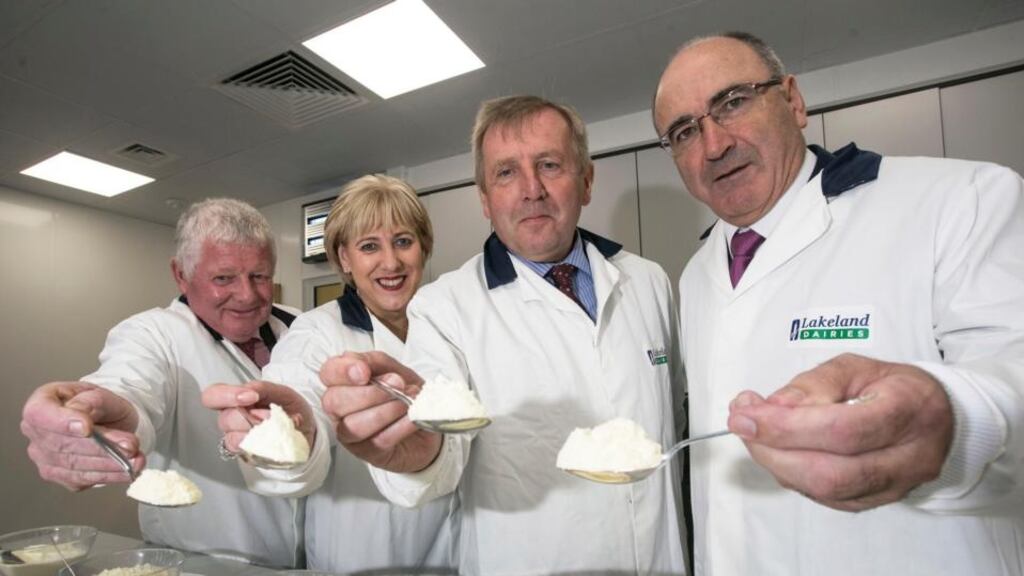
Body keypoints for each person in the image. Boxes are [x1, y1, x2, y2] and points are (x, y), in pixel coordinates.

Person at [652, 31, 1024, 576]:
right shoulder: (696, 273)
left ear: (793, 100)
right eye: (684, 131)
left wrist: (953, 419)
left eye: (732, 102)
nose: (713, 145)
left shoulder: (958, 199)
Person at [319, 96, 688, 575]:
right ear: (485, 200)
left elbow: (673, 418)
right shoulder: (443, 308)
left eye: (550, 165)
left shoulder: (648, 281)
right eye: (506, 173)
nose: (531, 189)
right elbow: (441, 450)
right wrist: (416, 452)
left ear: (587, 181)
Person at [19, 198, 303, 568]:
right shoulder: (152, 334)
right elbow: (128, 384)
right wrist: (110, 418)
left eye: (260, 276)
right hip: (204, 562)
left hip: (307, 558)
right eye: (224, 278)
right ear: (181, 275)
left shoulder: (299, 326)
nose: (247, 294)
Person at [202, 175, 456, 573]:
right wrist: (295, 430)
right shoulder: (317, 331)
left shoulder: (448, 324)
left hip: (449, 547)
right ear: (343, 259)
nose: (391, 262)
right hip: (359, 551)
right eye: (369, 246)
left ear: (423, 248)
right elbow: (297, 391)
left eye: (403, 241)